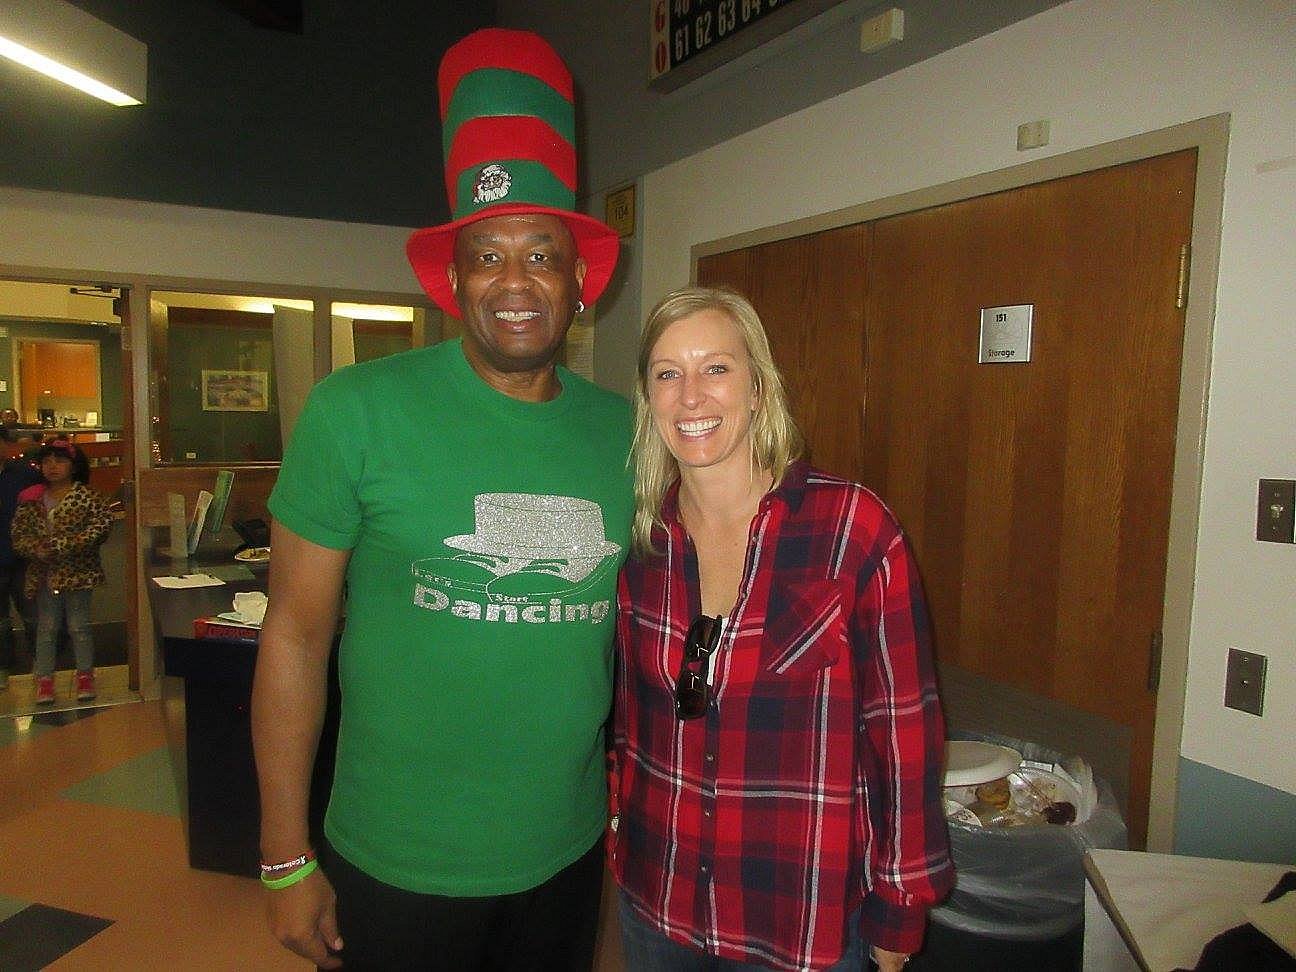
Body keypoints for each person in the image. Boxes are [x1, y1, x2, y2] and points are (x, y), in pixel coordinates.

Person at [251, 27, 632, 971]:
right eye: (487, 255)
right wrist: (284, 854)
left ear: (580, 281)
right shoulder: (355, 410)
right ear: (455, 280)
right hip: (394, 859)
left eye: (541, 254)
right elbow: (294, 635)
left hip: (565, 850)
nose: (515, 281)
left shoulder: (630, 433)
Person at [610, 287, 954, 971]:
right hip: (658, 903)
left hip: (797, 914)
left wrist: (901, 902)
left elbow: (902, 732)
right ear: (649, 400)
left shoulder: (852, 530)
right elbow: (632, 721)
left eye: (716, 368)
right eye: (668, 374)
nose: (691, 396)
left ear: (759, 387)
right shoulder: (644, 544)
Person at [10, 438, 112, 705]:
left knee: (79, 626)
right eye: (47, 462)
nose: (52, 467)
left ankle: (85, 676)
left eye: (60, 461)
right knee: (46, 627)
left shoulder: (86, 496)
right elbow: (19, 535)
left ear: (73, 466)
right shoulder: (32, 498)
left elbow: (100, 527)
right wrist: (36, 549)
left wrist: (63, 545)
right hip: (44, 573)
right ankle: (44, 679)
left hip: (79, 572)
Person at [0, 451, 41, 690]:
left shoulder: (23, 473)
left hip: (22, 558)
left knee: (32, 615)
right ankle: (3, 668)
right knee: (1, 621)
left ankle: (41, 665)